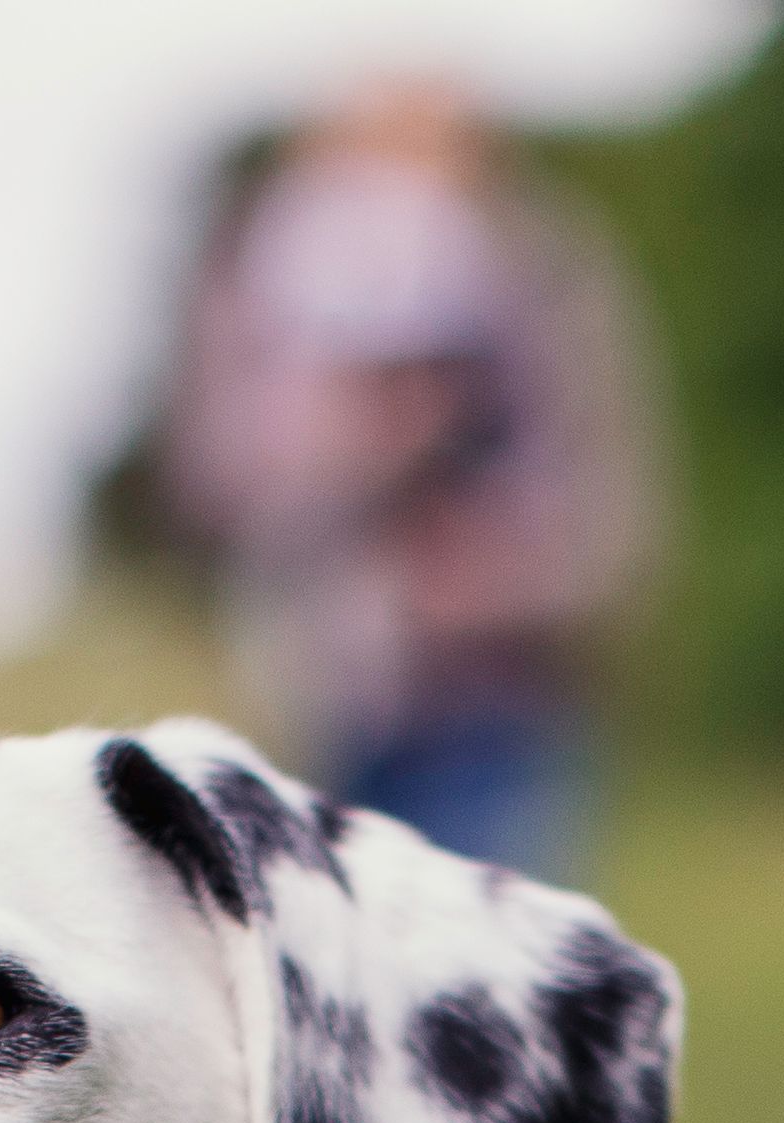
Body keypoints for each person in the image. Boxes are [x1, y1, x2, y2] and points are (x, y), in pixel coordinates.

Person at [152, 80, 659, 887]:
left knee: (494, 965)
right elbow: (214, 484)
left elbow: (610, 510)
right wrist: (347, 462)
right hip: (316, 698)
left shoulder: (547, 274)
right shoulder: (269, 275)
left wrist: (507, 580)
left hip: (500, 704)